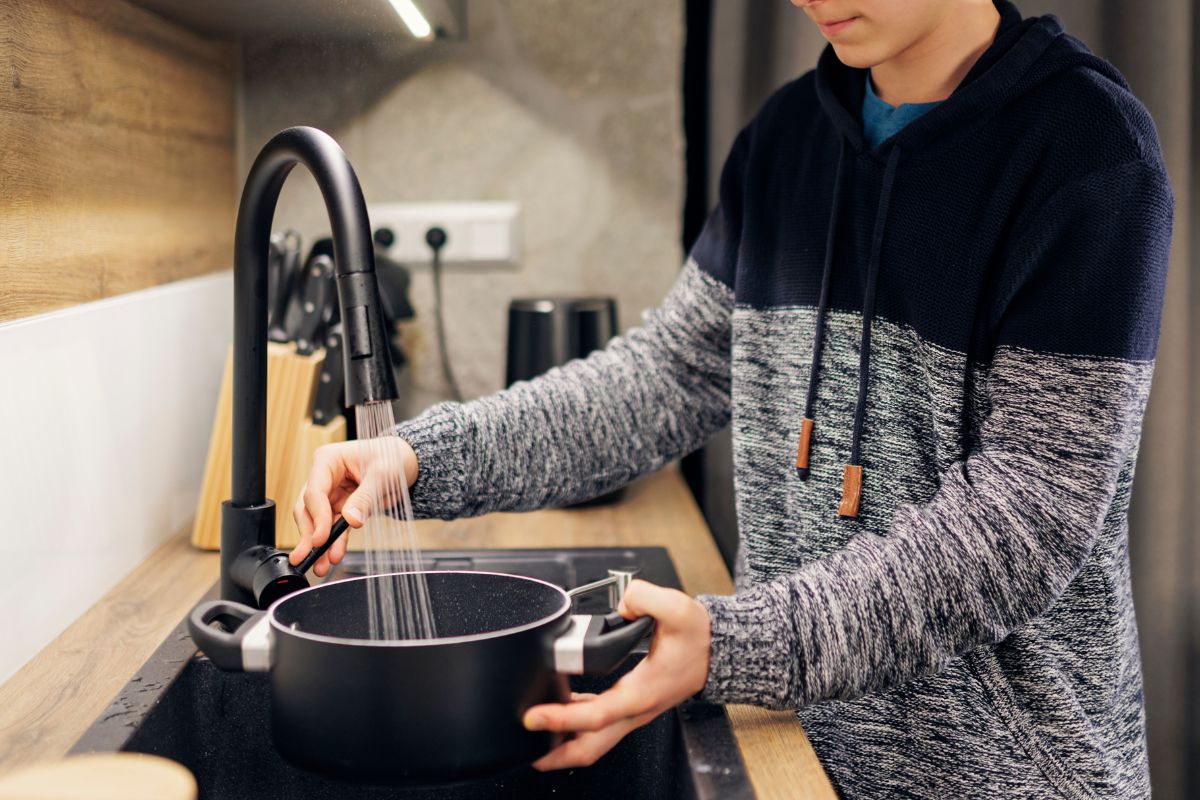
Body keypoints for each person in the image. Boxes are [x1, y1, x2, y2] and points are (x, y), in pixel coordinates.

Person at [289, 0, 1173, 796]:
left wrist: (737, 644)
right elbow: (669, 374)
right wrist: (421, 458)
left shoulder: (1088, 152)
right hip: (793, 751)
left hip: (1002, 775)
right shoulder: (787, 136)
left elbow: (1028, 516)